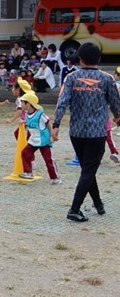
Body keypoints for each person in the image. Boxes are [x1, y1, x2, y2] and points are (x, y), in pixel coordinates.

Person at [52, 43, 120, 222]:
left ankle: (98, 204)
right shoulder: (106, 79)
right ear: (98, 59)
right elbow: (115, 102)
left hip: (76, 132)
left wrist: (57, 123)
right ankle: (74, 210)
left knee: (87, 169)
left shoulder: (71, 78)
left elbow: (62, 101)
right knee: (88, 170)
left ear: (79, 59)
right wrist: (118, 117)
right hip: (97, 133)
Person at [18, 92, 62, 184]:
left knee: (48, 160)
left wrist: (52, 135)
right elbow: (29, 123)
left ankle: (56, 178)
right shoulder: (26, 114)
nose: (20, 104)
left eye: (22, 102)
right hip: (34, 140)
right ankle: (28, 172)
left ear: (28, 104)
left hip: (44, 140)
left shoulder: (40, 114)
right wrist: (23, 122)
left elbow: (48, 123)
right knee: (25, 153)